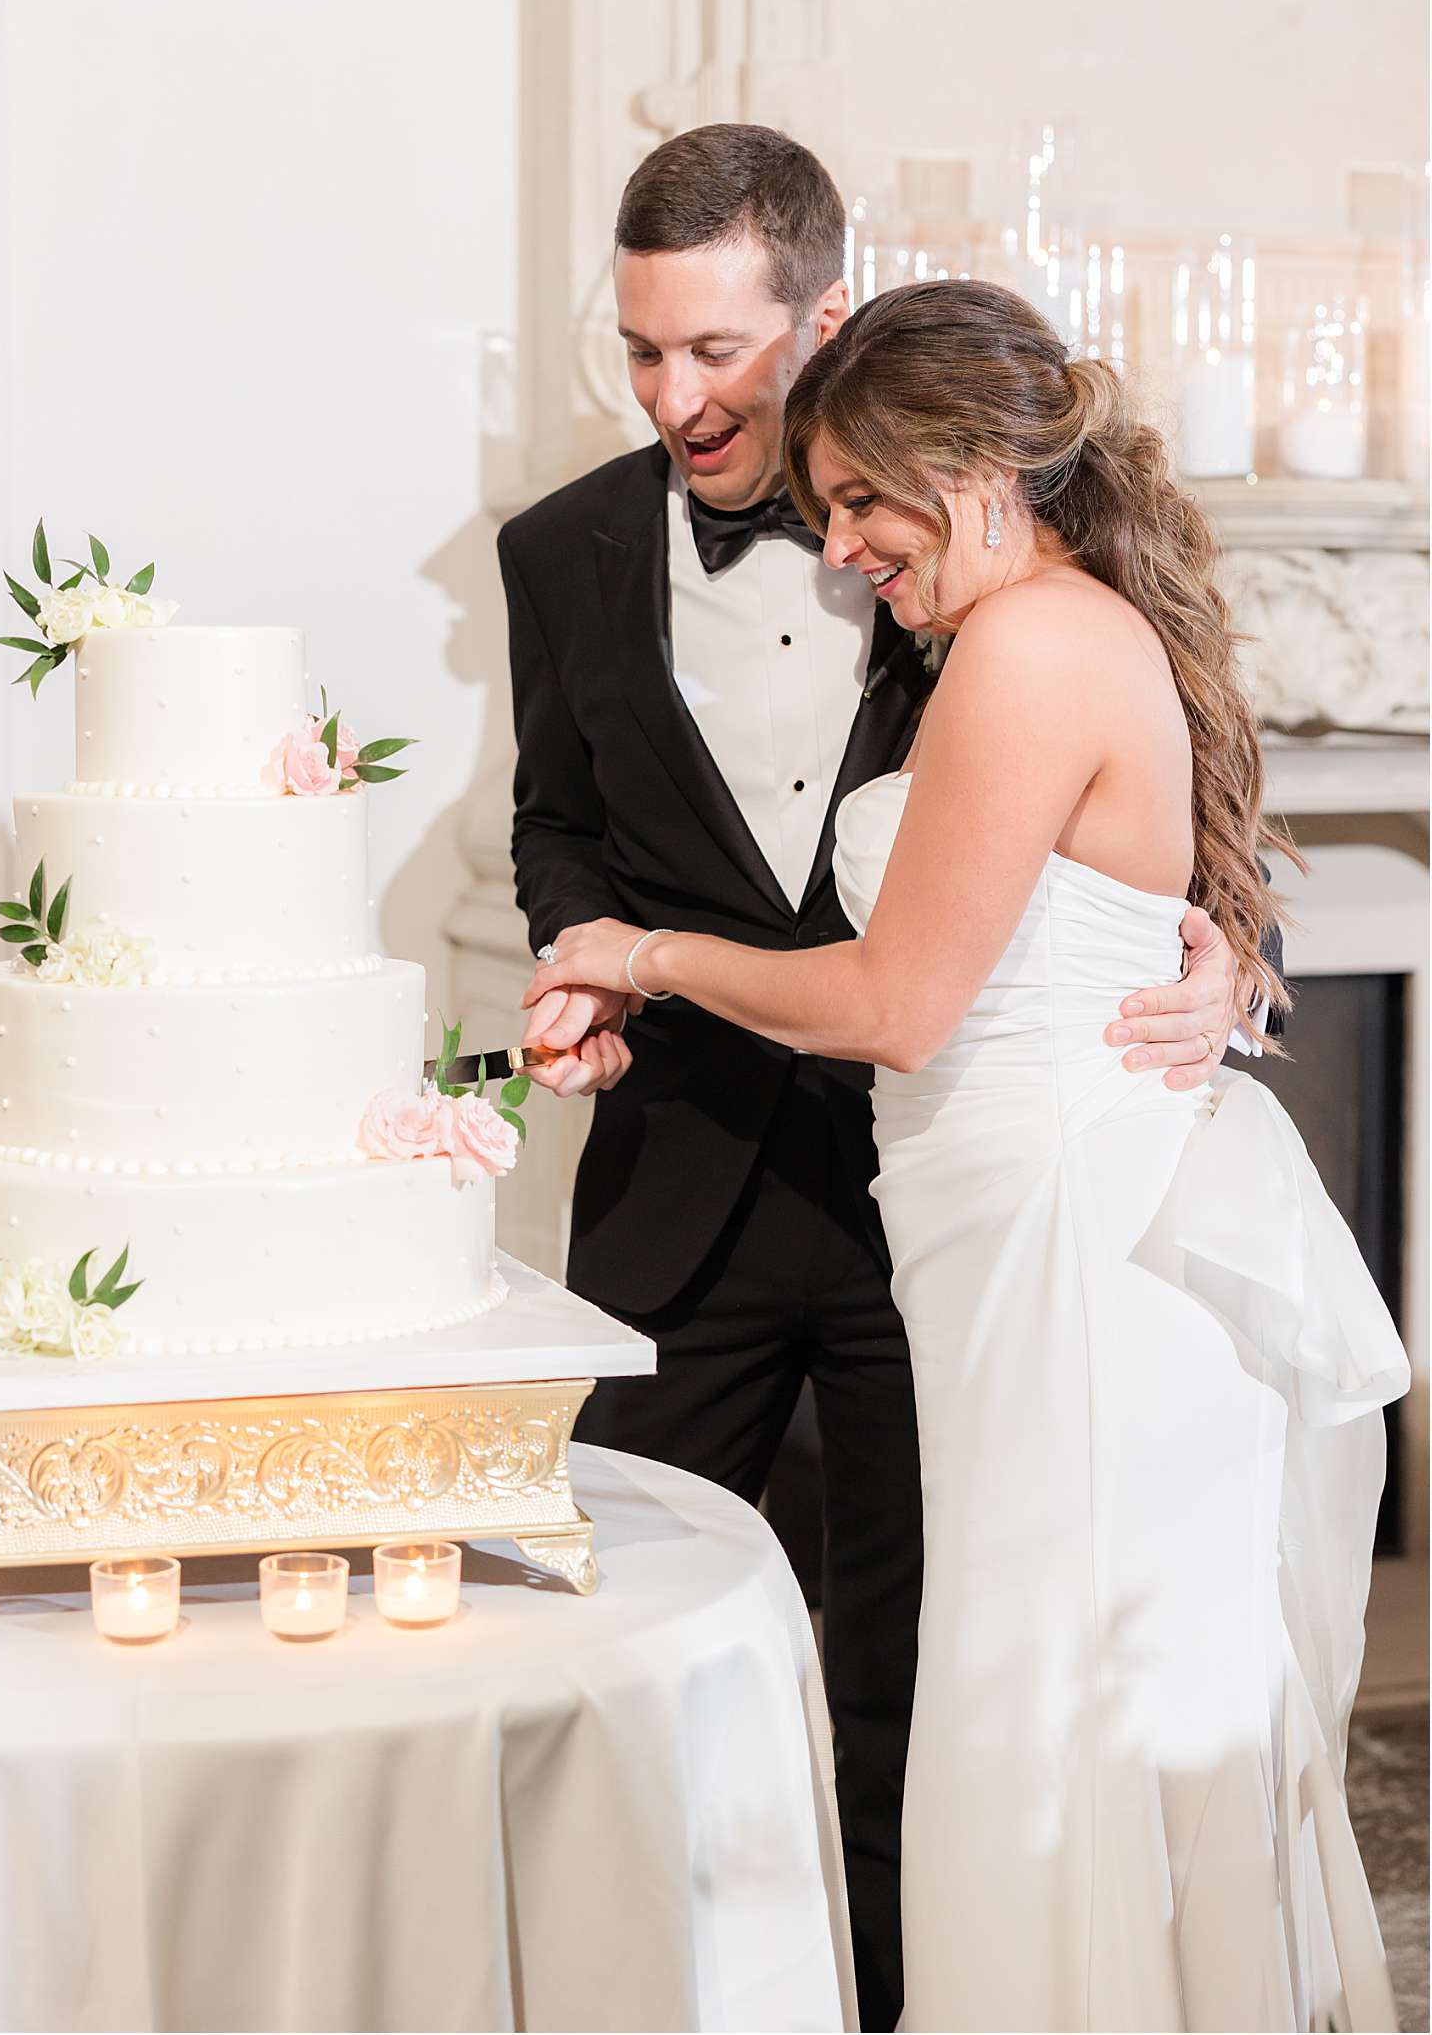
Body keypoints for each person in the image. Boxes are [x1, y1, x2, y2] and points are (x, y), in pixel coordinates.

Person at [522, 276, 1410, 2033]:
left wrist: (639, 956)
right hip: (1009, 1229)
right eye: (825, 504)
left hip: (1071, 1247)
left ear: (981, 466)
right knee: (1043, 1691)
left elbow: (904, 1002)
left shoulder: (1023, 643)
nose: (841, 541)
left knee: (1050, 1699)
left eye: (863, 499)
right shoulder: (1024, 626)